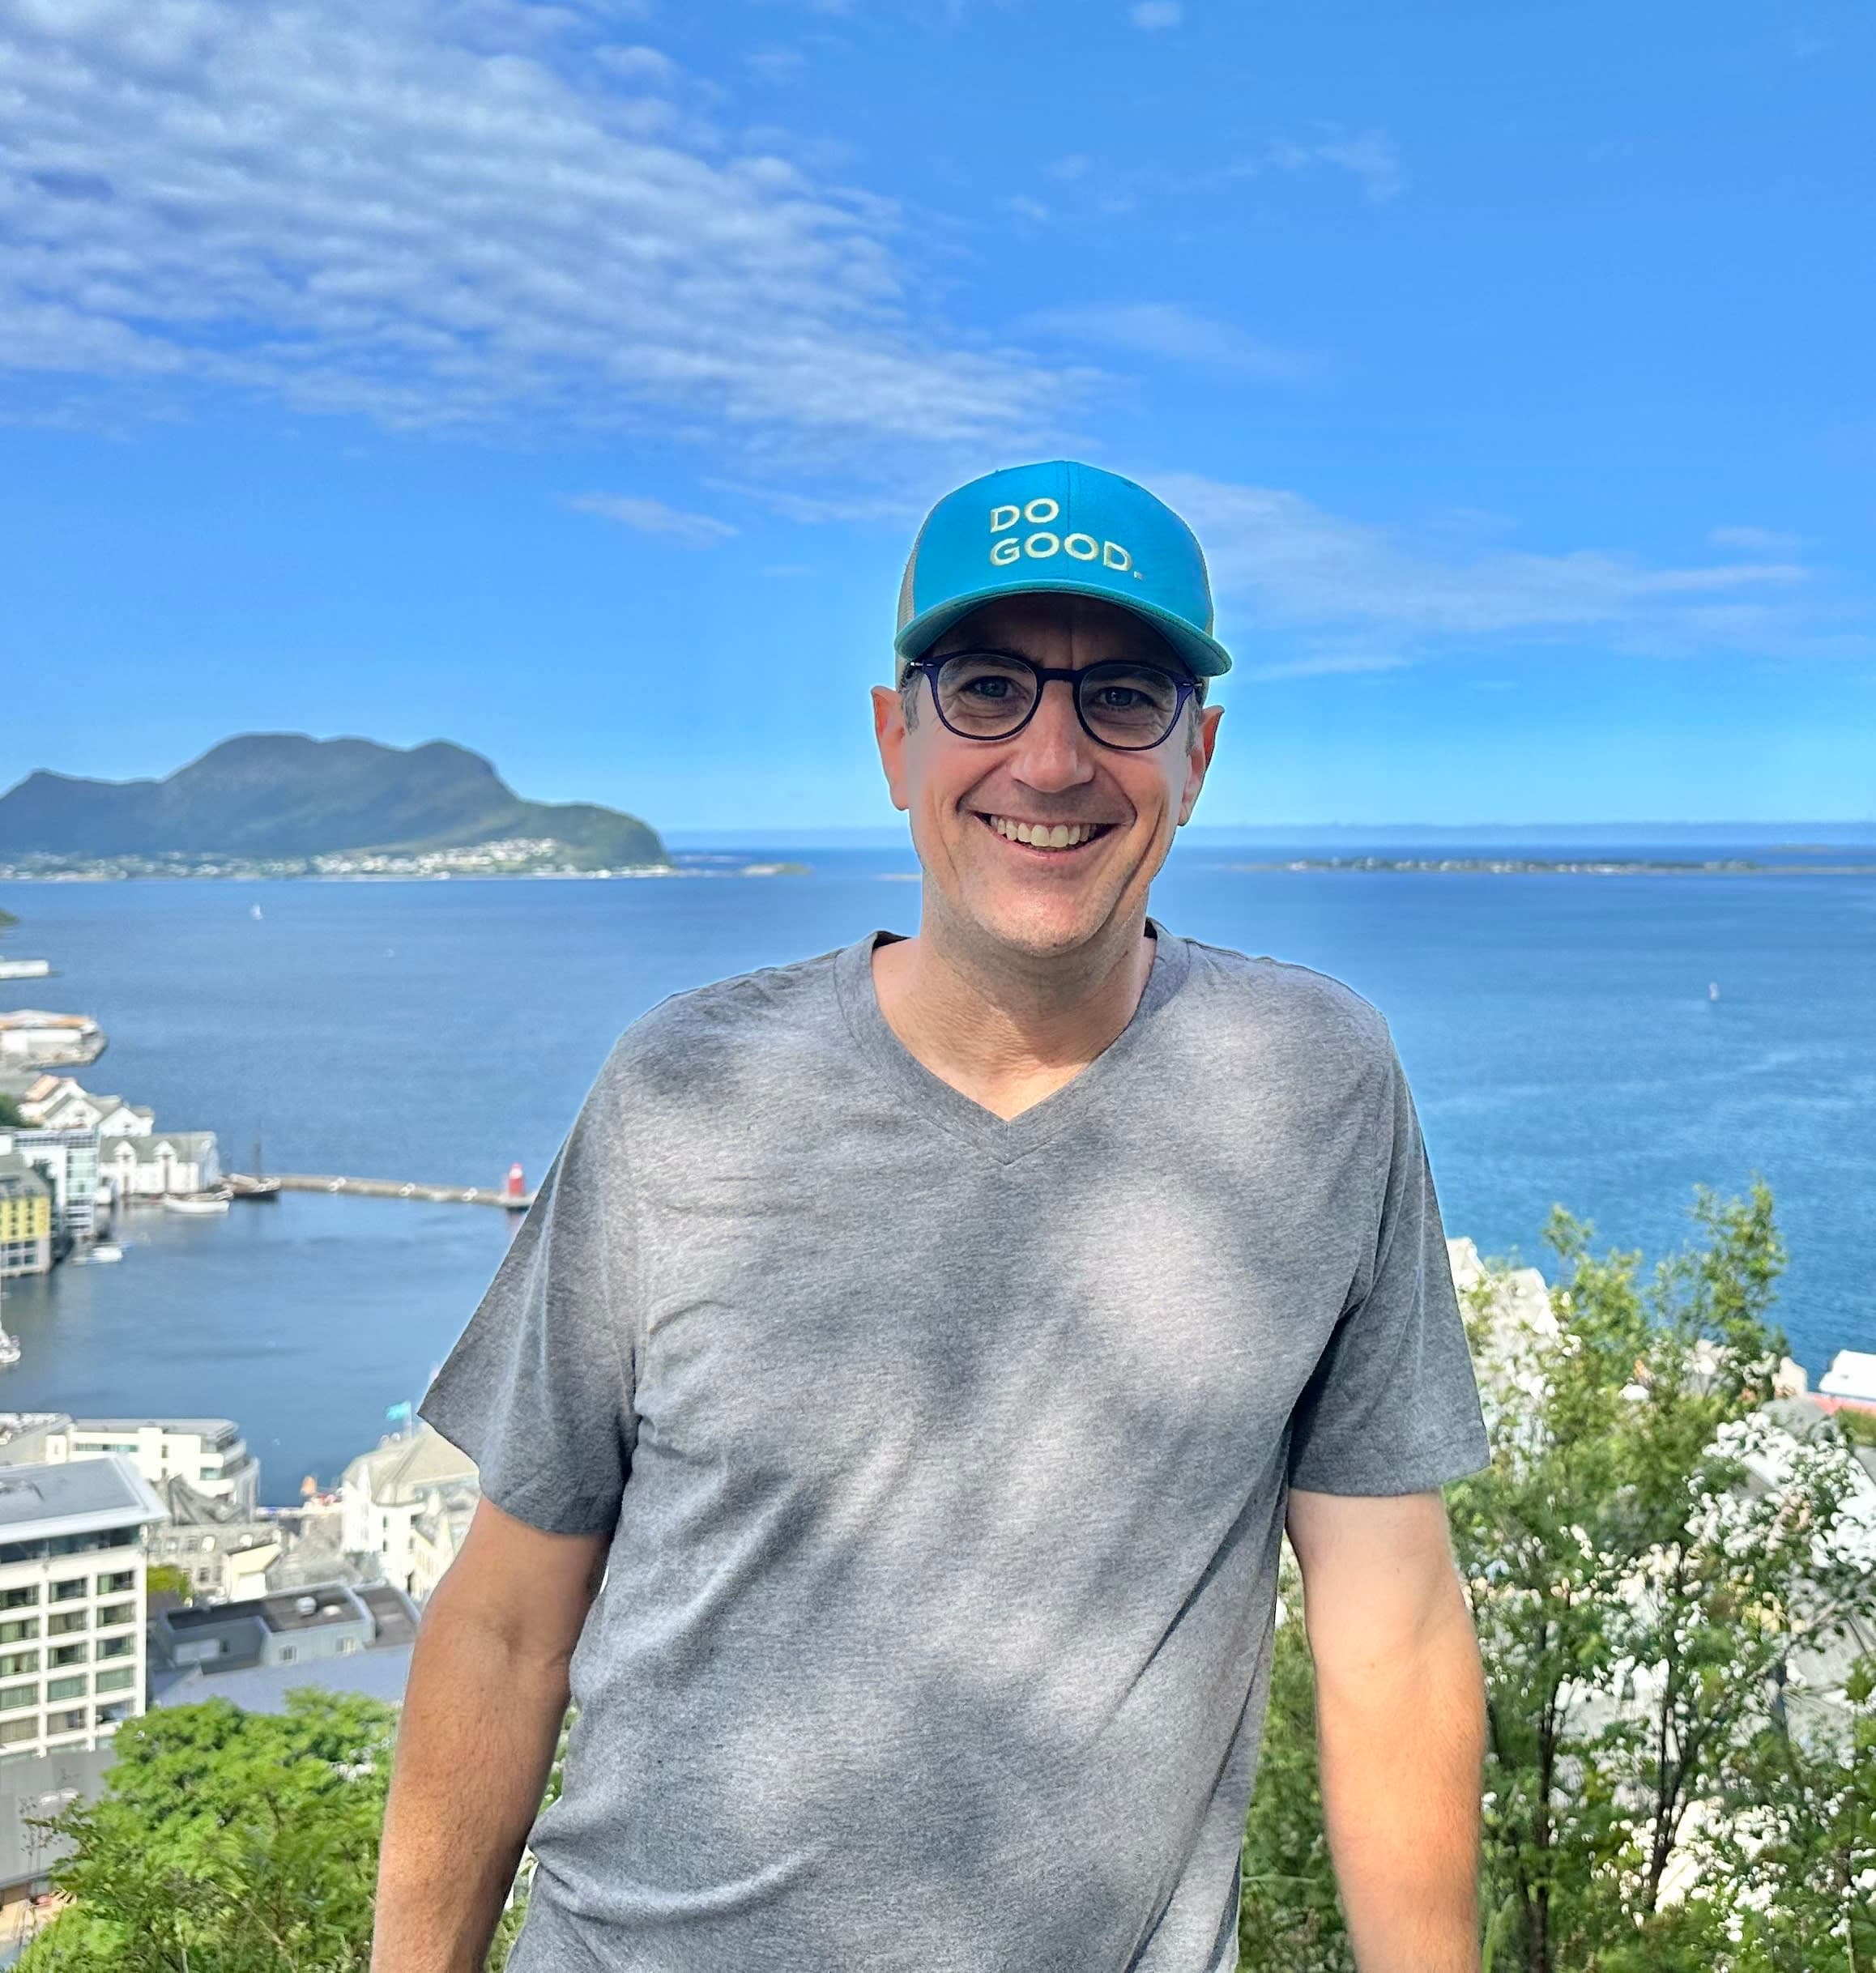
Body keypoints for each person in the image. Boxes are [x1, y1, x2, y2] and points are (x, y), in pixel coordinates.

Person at [372, 460, 1492, 1973]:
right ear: (895, 739)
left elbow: (1395, 1628)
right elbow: (506, 1624)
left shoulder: (1315, 1087)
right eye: (987, 687)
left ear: (1200, 752)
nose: (1050, 760)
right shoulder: (681, 1093)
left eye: (1122, 697)